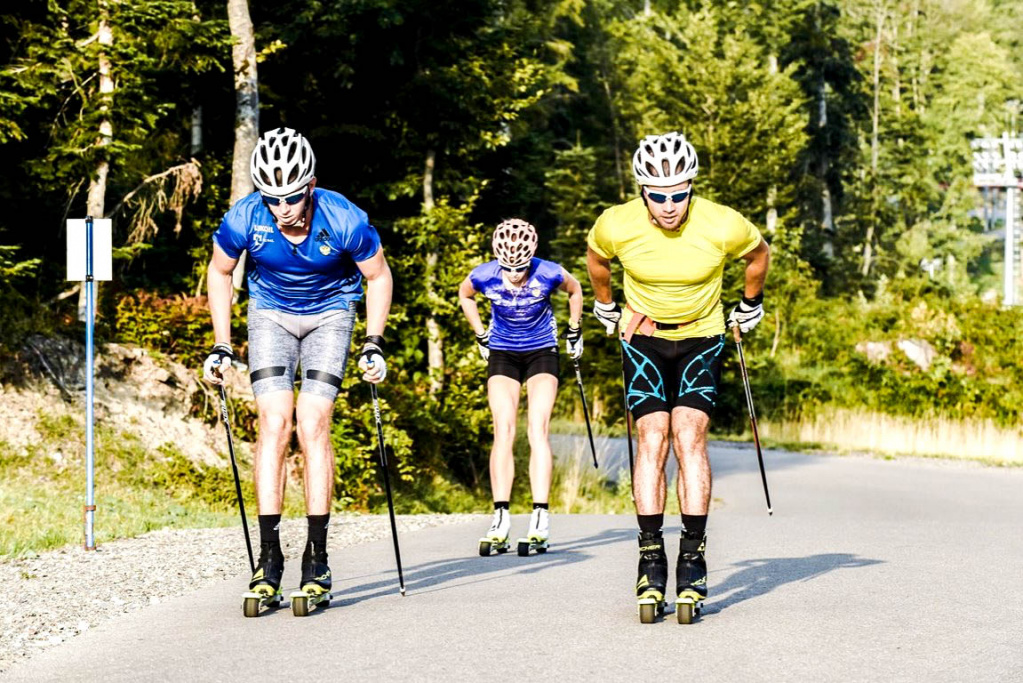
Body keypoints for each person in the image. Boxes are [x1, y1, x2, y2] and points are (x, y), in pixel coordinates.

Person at [202, 127, 392, 606]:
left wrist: (374, 342)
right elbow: (220, 271)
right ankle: (269, 559)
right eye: (271, 198)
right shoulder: (245, 216)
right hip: (270, 314)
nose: (281, 208)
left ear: (309, 186)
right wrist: (222, 345)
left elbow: (379, 276)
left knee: (313, 424)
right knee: (273, 423)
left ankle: (317, 557)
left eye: (290, 197)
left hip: (331, 314)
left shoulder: (345, 217)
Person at [585, 131, 770, 622]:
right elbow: (597, 260)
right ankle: (650, 555)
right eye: (658, 195)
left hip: (703, 334)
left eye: (679, 194)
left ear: (692, 186)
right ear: (642, 190)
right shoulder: (615, 224)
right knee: (653, 436)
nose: (669, 206)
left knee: (689, 435)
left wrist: (750, 303)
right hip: (642, 334)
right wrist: (606, 305)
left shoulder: (722, 223)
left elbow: (759, 255)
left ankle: (692, 554)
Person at [457, 219, 584, 556]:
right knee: (504, 429)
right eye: (508, 268)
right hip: (502, 351)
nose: (514, 274)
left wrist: (575, 330)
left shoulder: (548, 272)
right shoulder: (484, 274)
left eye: (520, 267)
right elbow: (464, 295)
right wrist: (480, 333)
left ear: (531, 257)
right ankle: (501, 518)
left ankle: (540, 518)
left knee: (537, 429)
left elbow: (575, 290)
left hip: (542, 349)